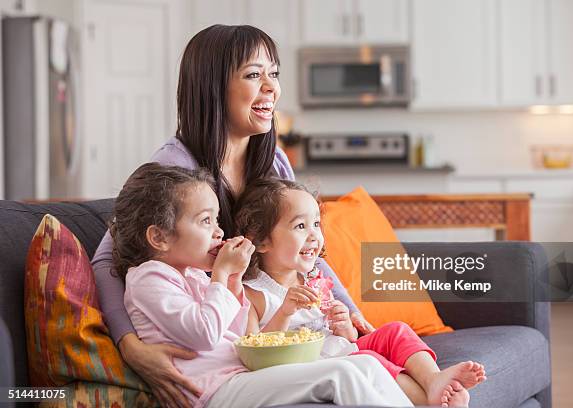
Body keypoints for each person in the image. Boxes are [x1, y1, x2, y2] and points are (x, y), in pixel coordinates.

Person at [91, 24, 374, 407]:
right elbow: (109, 257)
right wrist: (130, 347)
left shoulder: (273, 161)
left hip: (266, 328)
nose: (271, 87)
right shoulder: (175, 168)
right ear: (212, 87)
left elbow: (305, 250)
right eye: (254, 75)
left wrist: (351, 312)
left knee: (378, 367)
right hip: (227, 347)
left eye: (273, 74)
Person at [111, 162, 413, 408]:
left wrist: (232, 280)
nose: (218, 232)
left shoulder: (192, 275)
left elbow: (241, 333)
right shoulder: (148, 278)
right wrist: (221, 276)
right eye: (205, 221)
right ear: (159, 237)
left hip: (239, 376)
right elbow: (203, 333)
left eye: (217, 221)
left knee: (366, 366)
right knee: (341, 373)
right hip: (213, 392)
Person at [234, 178, 487, 408]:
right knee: (370, 359)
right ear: (261, 240)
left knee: (395, 331)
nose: (314, 235)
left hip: (339, 346)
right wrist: (284, 312)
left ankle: (434, 380)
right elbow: (254, 354)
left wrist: (343, 324)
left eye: (316, 224)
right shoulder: (253, 293)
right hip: (315, 365)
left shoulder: (313, 279)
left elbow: (346, 337)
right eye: (300, 226)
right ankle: (428, 402)